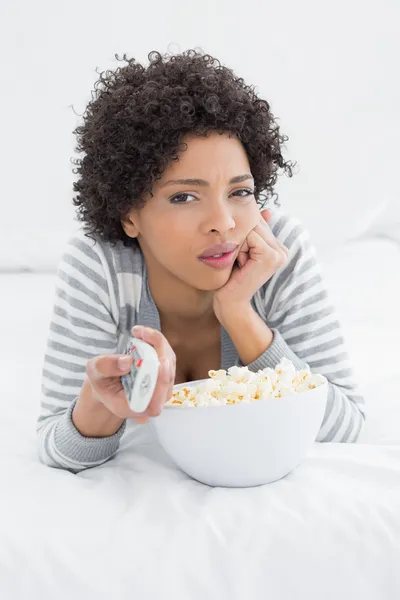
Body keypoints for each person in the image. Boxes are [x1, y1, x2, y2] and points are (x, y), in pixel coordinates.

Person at [37, 49, 365, 473]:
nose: (224, 223)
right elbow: (58, 450)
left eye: (240, 192)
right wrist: (103, 404)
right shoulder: (101, 266)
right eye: (184, 197)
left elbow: (345, 426)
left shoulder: (277, 251)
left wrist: (237, 313)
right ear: (129, 214)